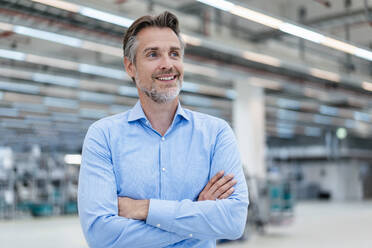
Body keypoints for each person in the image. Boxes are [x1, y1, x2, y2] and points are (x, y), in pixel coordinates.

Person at [78, 11, 248, 248]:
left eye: (174, 54)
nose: (167, 64)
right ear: (130, 66)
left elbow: (233, 222)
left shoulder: (216, 134)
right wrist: (198, 218)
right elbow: (100, 235)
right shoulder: (103, 136)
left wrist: (144, 209)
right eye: (153, 54)